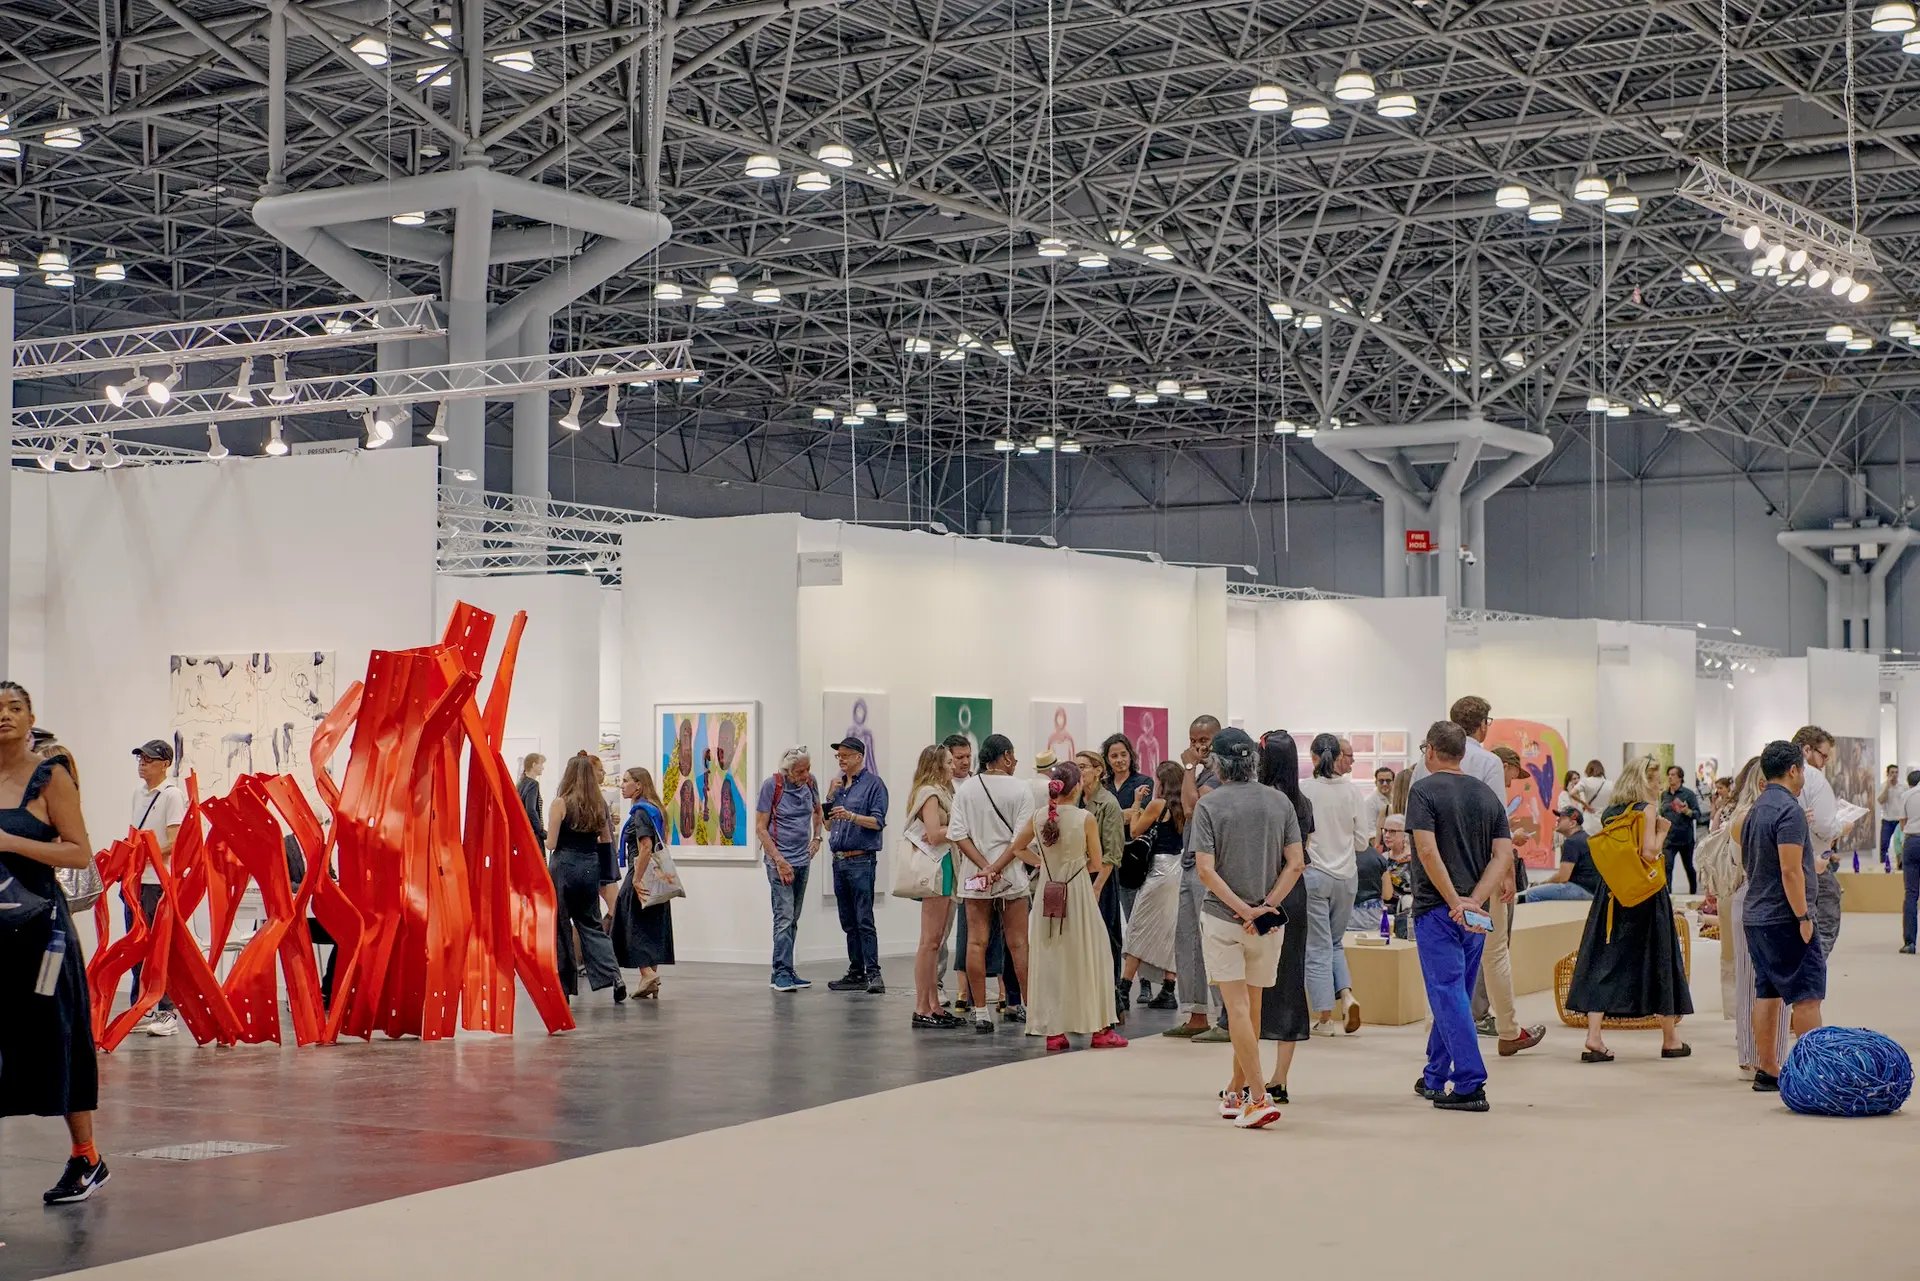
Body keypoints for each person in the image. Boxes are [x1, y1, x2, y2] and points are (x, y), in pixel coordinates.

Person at [0, 682, 107, 1204]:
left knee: (57, 1036)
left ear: (30, 717)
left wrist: (10, 841)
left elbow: (79, 853)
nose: (4, 716)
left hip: (42, 934)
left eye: (14, 708)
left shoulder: (50, 776)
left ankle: (86, 1156)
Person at [1411, 697, 1544, 1056]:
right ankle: (1508, 1030)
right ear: (1483, 724)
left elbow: (1421, 836)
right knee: (1494, 952)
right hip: (1479, 874)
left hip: (1435, 878)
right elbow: (1497, 826)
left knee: (1437, 962)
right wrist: (1506, 874)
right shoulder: (1488, 762)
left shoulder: (1423, 767)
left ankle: (1437, 1034)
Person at [1188, 728, 1305, 1129]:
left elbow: (1206, 870)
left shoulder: (1209, 805)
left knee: (1236, 1008)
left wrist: (1242, 910)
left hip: (1224, 918)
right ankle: (1237, 1090)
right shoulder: (1280, 802)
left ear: (1216, 764)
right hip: (1267, 923)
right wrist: (1265, 906)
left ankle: (1257, 1097)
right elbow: (1296, 863)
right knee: (1251, 1008)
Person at [1406, 720, 1515, 1112]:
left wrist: (1455, 900)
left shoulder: (1423, 791)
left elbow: (1427, 850)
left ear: (1432, 750)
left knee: (1447, 993)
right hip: (1475, 914)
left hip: (1438, 909)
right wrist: (1475, 900)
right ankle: (1435, 1074)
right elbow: (1503, 855)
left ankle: (1470, 1082)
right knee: (1456, 994)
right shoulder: (1486, 794)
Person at [1564, 755, 1693, 1061]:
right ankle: (1670, 1038)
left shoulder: (1612, 812)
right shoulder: (1646, 809)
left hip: (1611, 892)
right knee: (1660, 958)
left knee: (1604, 958)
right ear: (1644, 781)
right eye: (1656, 780)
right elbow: (1649, 852)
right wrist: (1663, 830)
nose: (1660, 785)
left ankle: (1594, 1036)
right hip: (1646, 894)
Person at [1009, 761, 1127, 1052]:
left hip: (1048, 892)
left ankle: (1054, 1031)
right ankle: (1099, 1029)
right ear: (1077, 787)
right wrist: (1075, 865)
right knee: (1092, 955)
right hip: (1077, 893)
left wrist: (1042, 864)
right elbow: (1096, 863)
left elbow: (1017, 848)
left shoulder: (1039, 816)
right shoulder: (1085, 818)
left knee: (1051, 958)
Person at [1741, 740, 1825, 1092]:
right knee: (1807, 995)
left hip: (1757, 914)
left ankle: (1768, 1069)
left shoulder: (1756, 809)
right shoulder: (1789, 811)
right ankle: (1815, 1074)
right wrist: (1803, 916)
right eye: (1802, 769)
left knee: (1768, 991)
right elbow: (1790, 871)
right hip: (1784, 917)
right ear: (1793, 770)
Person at [948, 734, 1035, 1033]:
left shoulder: (966, 789)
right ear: (1006, 756)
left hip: (975, 875)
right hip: (1011, 875)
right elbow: (1021, 839)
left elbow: (958, 834)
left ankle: (981, 1011)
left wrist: (984, 868)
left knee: (976, 942)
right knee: (1019, 944)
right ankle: (1030, 1009)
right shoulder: (1021, 788)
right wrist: (996, 868)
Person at [1716, 757, 1789, 1078]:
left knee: (1758, 982)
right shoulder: (1752, 817)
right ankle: (1758, 1056)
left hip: (1750, 898)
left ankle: (1759, 1055)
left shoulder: (1744, 816)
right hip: (1760, 898)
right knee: (1756, 983)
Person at [1251, 730, 1313, 1104]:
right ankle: (1279, 1078)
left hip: (1262, 894)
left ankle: (1249, 1077)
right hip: (1294, 897)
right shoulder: (1302, 803)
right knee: (1289, 981)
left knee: (1251, 983)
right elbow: (1303, 854)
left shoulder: (1260, 802)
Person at [1165, 714, 1225, 1039]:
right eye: (1193, 741)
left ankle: (1226, 1016)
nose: (1198, 747)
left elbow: (1191, 806)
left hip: (1209, 865)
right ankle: (1196, 1013)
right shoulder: (1201, 773)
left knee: (1211, 939)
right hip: (1189, 861)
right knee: (1187, 939)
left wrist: (1187, 768)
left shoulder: (1217, 775)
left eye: (1204, 740)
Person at [1299, 732, 1363, 1036]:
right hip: (1347, 876)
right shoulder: (1353, 792)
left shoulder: (1304, 789)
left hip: (1315, 875)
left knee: (1317, 947)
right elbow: (1362, 842)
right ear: (1338, 756)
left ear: (1313, 757)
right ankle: (1347, 996)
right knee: (1335, 943)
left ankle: (1325, 1017)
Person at [546, 755, 624, 1004]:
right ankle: (614, 976)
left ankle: (565, 986)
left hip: (564, 867)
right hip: (590, 866)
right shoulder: (598, 804)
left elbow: (552, 843)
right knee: (591, 924)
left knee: (561, 926)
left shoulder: (560, 803)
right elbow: (606, 840)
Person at [127, 739, 188, 1037]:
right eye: (141, 758)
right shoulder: (138, 793)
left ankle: (167, 1012)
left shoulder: (171, 795)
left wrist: (144, 856)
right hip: (136, 880)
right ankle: (141, 1008)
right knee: (135, 947)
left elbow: (175, 842)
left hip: (156, 883)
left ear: (165, 764)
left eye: (149, 759)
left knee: (159, 949)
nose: (143, 763)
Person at [823, 737, 889, 994]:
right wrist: (829, 796)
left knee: (864, 918)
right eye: (838, 756)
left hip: (861, 860)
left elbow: (878, 822)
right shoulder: (839, 787)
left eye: (845, 755)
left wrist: (851, 816)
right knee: (848, 920)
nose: (841, 760)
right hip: (839, 860)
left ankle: (873, 973)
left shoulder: (874, 785)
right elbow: (828, 825)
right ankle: (856, 971)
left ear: (859, 757)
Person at [756, 746, 824, 992]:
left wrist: (817, 838)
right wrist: (779, 860)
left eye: (807, 769)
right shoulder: (772, 786)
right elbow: (761, 828)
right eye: (800, 771)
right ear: (788, 771)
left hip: (802, 860)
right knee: (784, 917)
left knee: (793, 918)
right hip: (779, 862)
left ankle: (784, 970)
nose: (805, 775)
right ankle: (782, 972)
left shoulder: (811, 783)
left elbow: (818, 811)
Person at [904, 745, 963, 1028]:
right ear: (937, 765)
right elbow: (933, 834)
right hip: (937, 867)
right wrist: (959, 829)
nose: (954, 766)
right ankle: (922, 1006)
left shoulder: (943, 793)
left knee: (936, 940)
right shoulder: (930, 794)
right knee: (929, 942)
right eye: (949, 762)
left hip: (946, 866)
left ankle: (933, 1004)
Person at [1121, 760, 1184, 1010]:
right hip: (1179, 870)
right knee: (1170, 930)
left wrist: (1137, 803)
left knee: (1138, 926)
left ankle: (1124, 989)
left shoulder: (1158, 805)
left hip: (1158, 871)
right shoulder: (1188, 807)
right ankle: (1168, 989)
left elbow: (1135, 831)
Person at [610, 767, 674, 999]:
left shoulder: (640, 812)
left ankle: (647, 973)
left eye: (626, 781)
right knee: (650, 923)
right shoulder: (656, 809)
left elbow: (645, 846)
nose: (622, 785)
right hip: (657, 875)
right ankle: (649, 980)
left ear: (638, 785)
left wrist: (636, 879)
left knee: (629, 923)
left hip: (640, 871)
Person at [1075, 749, 1127, 1012]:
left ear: (1098, 770)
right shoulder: (1075, 801)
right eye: (1076, 767)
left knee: (1106, 936)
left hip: (1101, 879)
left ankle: (1111, 997)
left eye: (1083, 766)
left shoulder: (1108, 804)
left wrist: (1097, 887)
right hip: (1078, 876)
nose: (1079, 772)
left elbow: (1112, 853)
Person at [1790, 726, 1843, 960]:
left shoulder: (1774, 778)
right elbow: (1824, 825)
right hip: (1810, 862)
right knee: (1822, 921)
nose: (1825, 762)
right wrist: (1842, 827)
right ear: (1807, 750)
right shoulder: (1813, 778)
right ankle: (1812, 969)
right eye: (1823, 755)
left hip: (1793, 860)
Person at [1102, 733, 1151, 923]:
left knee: (1134, 917)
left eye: (1123, 754)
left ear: (1131, 755)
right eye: (1114, 756)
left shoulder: (1143, 782)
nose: (1120, 760)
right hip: (1106, 853)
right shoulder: (1103, 785)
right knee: (1107, 915)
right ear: (1107, 759)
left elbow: (1138, 815)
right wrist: (1126, 813)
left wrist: (1106, 818)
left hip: (1132, 855)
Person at [1522, 808, 1598, 901]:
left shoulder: (1572, 842)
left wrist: (1542, 883)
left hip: (1581, 889)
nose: (1558, 820)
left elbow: (1563, 877)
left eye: (1562, 818)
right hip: (1593, 891)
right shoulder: (1587, 838)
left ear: (1572, 823)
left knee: (1532, 893)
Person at [1660, 765, 1704, 895]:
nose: (1670, 777)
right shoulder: (1664, 795)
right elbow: (1662, 813)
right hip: (1669, 839)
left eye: (1673, 775)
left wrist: (1687, 811)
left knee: (1689, 867)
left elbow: (1698, 815)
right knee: (1667, 867)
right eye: (1669, 774)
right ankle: (1668, 896)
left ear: (1680, 777)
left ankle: (1694, 894)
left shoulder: (1689, 794)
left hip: (1685, 839)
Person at [1351, 817, 1398, 932]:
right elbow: (1387, 894)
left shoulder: (1341, 857)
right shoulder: (1379, 858)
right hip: (1373, 917)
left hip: (1347, 915)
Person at [1900, 769, 1920, 954]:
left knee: (1911, 894)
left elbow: (1902, 824)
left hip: (1912, 842)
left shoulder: (1906, 795)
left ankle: (1910, 943)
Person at [1878, 764, 1906, 873]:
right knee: (1884, 844)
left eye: (1896, 772)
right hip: (1887, 820)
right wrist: (1887, 787)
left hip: (1900, 820)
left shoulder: (1903, 786)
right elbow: (1881, 801)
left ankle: (1902, 866)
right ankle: (1883, 866)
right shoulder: (1883, 786)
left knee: (1901, 844)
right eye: (1892, 772)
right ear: (1887, 774)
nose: (1894, 775)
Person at [1360, 766, 1394, 850]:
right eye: (1381, 781)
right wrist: (1380, 852)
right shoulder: (1369, 802)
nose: (1385, 784)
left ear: (1393, 782)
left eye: (1388, 781)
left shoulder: (1395, 798)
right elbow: (1370, 832)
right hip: (1380, 847)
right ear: (1376, 783)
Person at [517, 752, 547, 846]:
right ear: (534, 765)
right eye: (541, 764)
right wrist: (541, 832)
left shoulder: (520, 783)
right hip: (533, 835)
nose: (543, 767)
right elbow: (531, 810)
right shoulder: (533, 784)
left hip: (523, 834)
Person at [1574, 760, 1611, 835]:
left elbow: (1572, 793)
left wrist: (1585, 805)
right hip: (1604, 822)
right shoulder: (1610, 784)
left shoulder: (1586, 781)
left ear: (1589, 770)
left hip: (1589, 822)